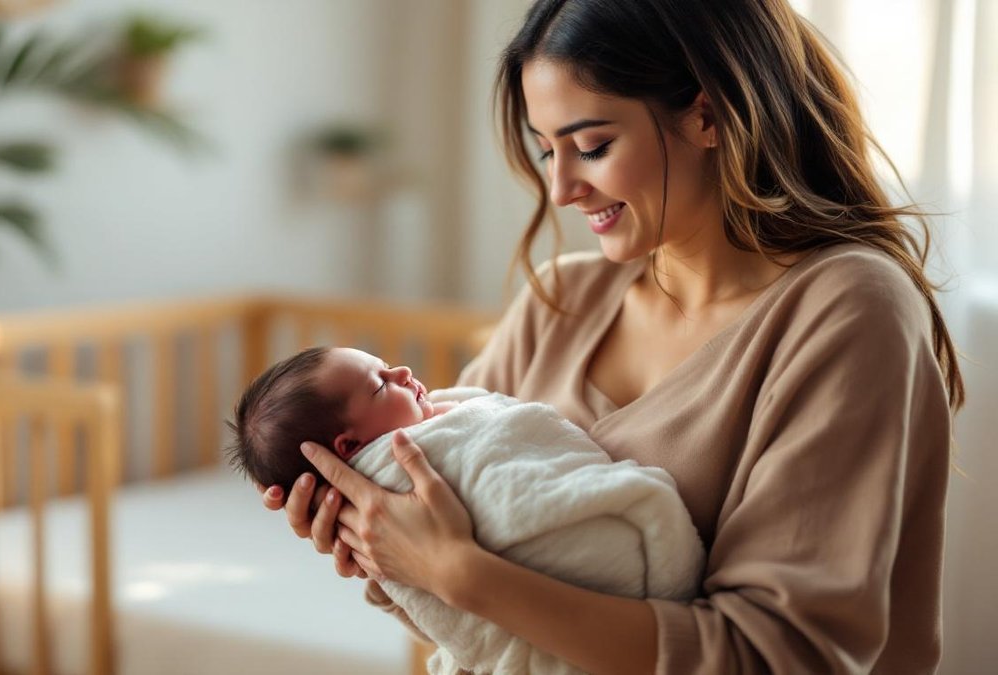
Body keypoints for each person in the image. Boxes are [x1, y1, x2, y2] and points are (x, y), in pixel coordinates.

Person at [262, 0, 963, 672]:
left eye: (591, 146)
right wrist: (376, 540)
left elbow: (781, 654)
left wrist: (459, 572)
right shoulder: (560, 300)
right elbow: (469, 604)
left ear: (708, 115)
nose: (563, 188)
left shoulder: (845, 308)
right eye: (546, 153)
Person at [229, 346, 704, 672]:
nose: (403, 374)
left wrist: (450, 568)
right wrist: (382, 563)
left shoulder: (440, 418)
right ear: (349, 446)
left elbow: (509, 442)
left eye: (386, 365)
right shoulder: (393, 473)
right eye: (380, 384)